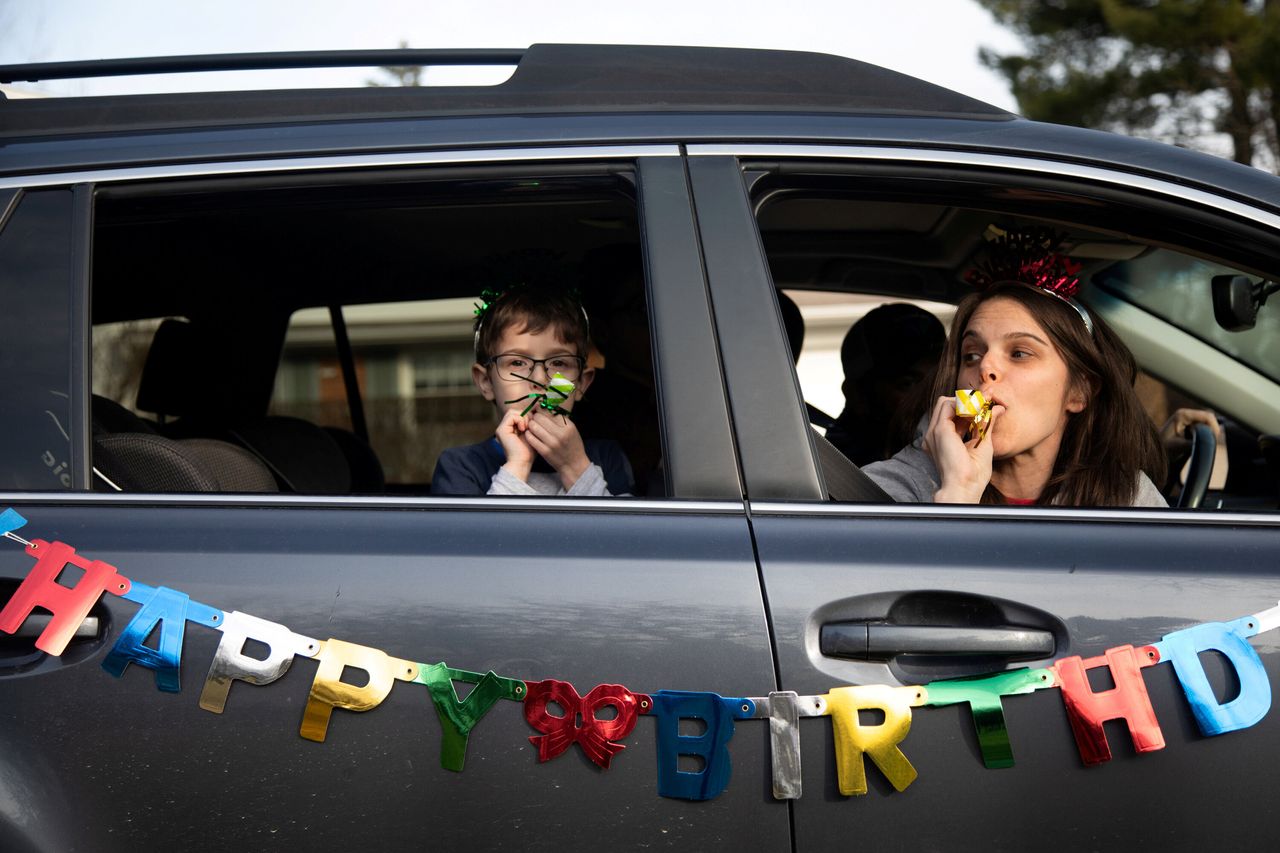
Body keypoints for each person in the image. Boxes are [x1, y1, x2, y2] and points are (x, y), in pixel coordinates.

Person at [864, 241, 1167, 507]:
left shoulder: (1125, 496)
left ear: (1079, 391)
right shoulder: (893, 491)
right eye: (971, 355)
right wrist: (958, 493)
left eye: (1020, 353)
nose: (985, 368)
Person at [431, 286, 633, 497]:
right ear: (486, 382)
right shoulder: (462, 466)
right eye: (517, 362)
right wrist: (518, 465)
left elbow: (625, 530)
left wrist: (575, 467)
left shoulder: (606, 458)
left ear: (581, 383)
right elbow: (481, 531)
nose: (539, 379)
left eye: (558, 362)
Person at [824, 303, 946, 466]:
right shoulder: (837, 474)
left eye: (939, 380)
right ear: (858, 395)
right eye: (907, 384)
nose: (931, 397)